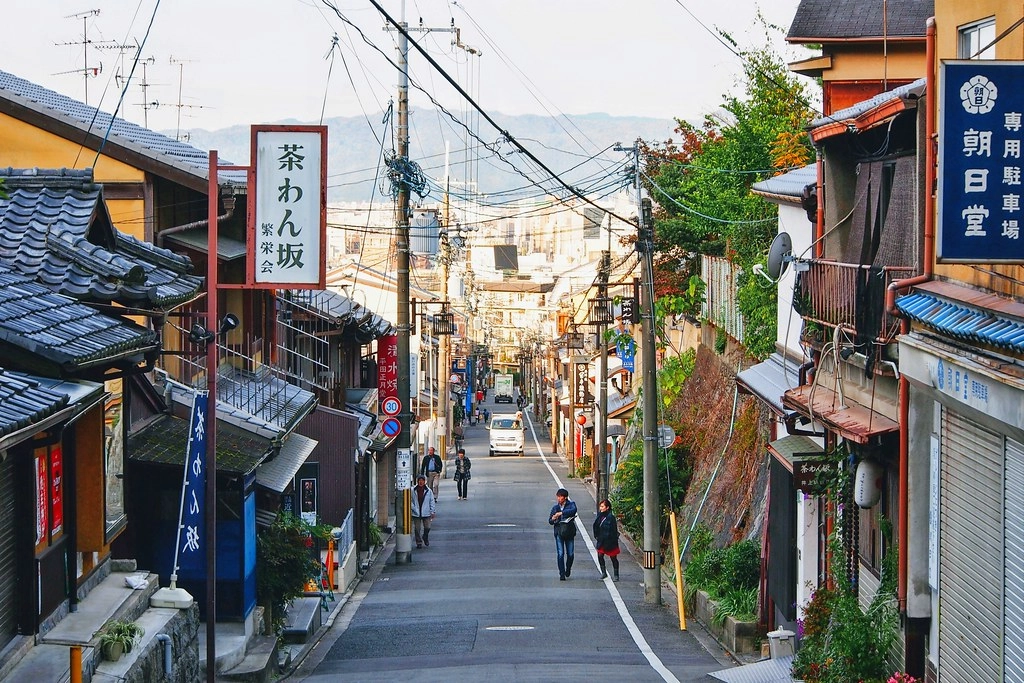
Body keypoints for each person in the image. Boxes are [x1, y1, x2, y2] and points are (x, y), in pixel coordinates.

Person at [548, 488, 577, 580]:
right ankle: (562, 573)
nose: (559, 499)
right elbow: (550, 521)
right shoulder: (555, 508)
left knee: (570, 554)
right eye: (558, 497)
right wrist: (553, 519)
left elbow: (573, 510)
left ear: (565, 498)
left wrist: (561, 513)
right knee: (560, 553)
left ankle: (568, 568)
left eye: (560, 497)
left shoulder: (571, 505)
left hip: (569, 532)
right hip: (559, 533)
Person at [593, 499, 621, 581]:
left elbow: (613, 530)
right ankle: (603, 572)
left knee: (613, 557)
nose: (600, 508)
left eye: (602, 506)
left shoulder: (611, 518)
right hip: (601, 540)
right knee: (600, 555)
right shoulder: (599, 515)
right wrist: (597, 536)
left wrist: (612, 540)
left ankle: (616, 574)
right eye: (600, 506)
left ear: (607, 507)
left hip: (610, 541)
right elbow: (596, 526)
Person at [410, 475, 436, 548]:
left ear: (425, 481)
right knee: (417, 528)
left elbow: (431, 501)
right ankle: (419, 542)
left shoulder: (428, 491)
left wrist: (432, 511)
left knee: (427, 527)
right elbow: (410, 501)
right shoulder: (413, 490)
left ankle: (425, 536)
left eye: (422, 480)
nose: (421, 482)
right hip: (416, 512)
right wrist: (413, 508)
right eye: (419, 480)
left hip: (426, 511)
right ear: (417, 481)